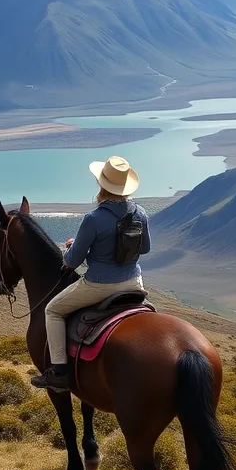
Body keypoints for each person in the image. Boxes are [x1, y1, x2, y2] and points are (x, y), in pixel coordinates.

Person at [30, 155, 151, 392]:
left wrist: (71, 246)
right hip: (134, 282)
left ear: (102, 185)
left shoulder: (93, 218)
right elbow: (145, 248)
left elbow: (72, 260)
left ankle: (60, 373)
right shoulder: (141, 213)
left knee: (52, 310)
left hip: (99, 285)